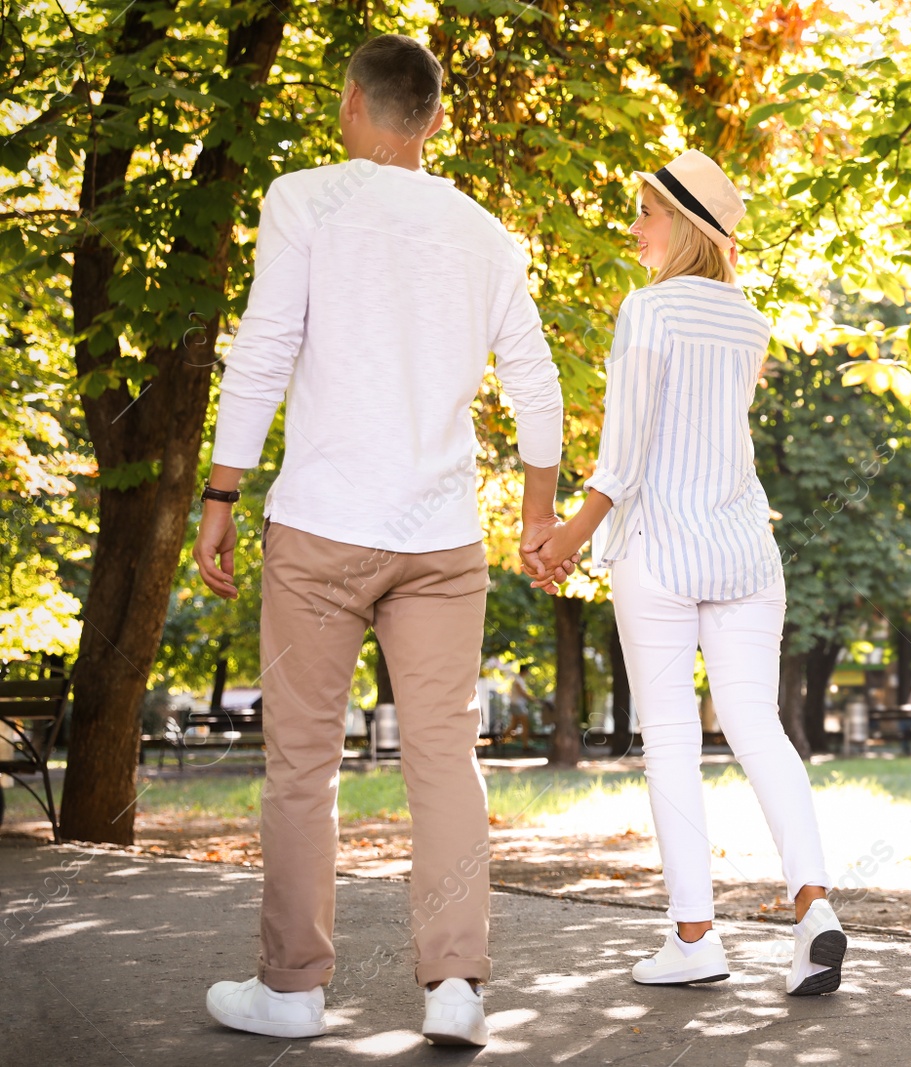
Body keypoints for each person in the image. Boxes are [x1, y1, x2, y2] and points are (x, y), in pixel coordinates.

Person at [192, 34, 574, 1046]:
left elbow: (266, 346)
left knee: (303, 764)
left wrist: (221, 489)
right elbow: (539, 389)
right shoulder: (485, 233)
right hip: (441, 541)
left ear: (352, 103)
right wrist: (537, 513)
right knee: (446, 758)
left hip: (320, 525)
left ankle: (292, 991)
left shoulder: (302, 198)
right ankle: (455, 985)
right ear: (434, 119)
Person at [523, 149, 847, 996]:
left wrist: (563, 537)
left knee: (670, 738)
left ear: (688, 225)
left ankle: (696, 937)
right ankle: (814, 909)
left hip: (661, 549)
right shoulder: (749, 319)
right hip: (744, 547)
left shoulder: (648, 309)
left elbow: (624, 457)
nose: (635, 228)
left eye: (647, 213)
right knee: (757, 725)